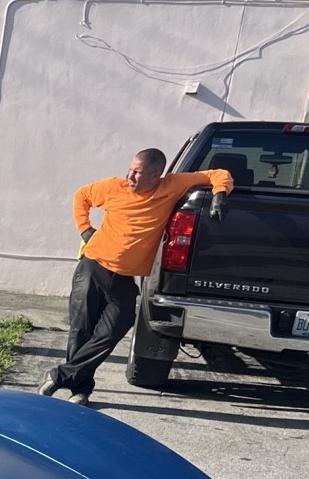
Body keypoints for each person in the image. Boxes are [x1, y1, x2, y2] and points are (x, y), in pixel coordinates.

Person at [41, 149, 234, 405]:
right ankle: (81, 389)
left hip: (124, 280)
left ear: (156, 175)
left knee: (113, 329)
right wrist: (85, 229)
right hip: (93, 267)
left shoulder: (172, 185)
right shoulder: (113, 186)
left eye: (137, 172)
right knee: (82, 330)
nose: (129, 176)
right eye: (130, 169)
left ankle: (60, 375)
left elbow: (218, 174)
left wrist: (220, 193)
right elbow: (81, 196)